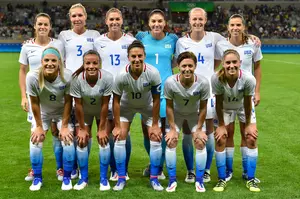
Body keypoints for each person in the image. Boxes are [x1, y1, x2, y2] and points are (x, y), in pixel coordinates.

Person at [175, 7, 225, 183]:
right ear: (189, 21)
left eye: (200, 19)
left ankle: (205, 170)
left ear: (205, 20)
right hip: (188, 93)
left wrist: (253, 38)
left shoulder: (215, 38)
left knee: (209, 132)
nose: (197, 22)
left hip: (208, 92)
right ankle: (190, 170)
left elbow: (226, 51)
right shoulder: (181, 42)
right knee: (188, 133)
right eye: (194, 19)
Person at [215, 14, 262, 183]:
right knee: (228, 134)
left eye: (238, 25)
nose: (235, 28)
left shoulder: (253, 43)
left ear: (243, 27)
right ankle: (227, 171)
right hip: (226, 96)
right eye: (232, 25)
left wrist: (257, 91)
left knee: (247, 134)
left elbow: (257, 68)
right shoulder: (220, 44)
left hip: (246, 95)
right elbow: (214, 66)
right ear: (228, 27)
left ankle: (246, 171)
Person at [19, 12, 65, 182]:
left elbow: (63, 67)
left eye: (46, 24)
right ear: (35, 26)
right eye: (40, 24)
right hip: (36, 97)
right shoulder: (27, 46)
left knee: (56, 132)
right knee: (36, 132)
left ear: (50, 27)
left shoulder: (58, 44)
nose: (43, 27)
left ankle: (60, 168)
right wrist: (24, 96)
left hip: (55, 96)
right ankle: (35, 168)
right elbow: (23, 71)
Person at [112, 40, 162, 191]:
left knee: (155, 137)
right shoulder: (121, 75)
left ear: (144, 56)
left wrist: (154, 124)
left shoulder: (153, 73)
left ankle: (154, 178)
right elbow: (115, 101)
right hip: (126, 107)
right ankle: (121, 178)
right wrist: (116, 125)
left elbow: (157, 99)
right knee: (120, 136)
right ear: (128, 57)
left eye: (140, 56)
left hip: (147, 107)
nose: (137, 59)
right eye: (133, 56)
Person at [58, 3, 101, 179]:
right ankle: (72, 166)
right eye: (74, 16)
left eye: (80, 15)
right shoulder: (63, 36)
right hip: (70, 86)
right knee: (73, 127)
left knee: (87, 127)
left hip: (90, 86)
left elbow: (99, 60)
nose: (77, 19)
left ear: (85, 17)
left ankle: (84, 164)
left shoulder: (95, 35)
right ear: (70, 18)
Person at [136, 9, 178, 179]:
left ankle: (158, 167)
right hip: (146, 92)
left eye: (160, 21)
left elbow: (179, 59)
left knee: (160, 130)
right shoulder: (141, 37)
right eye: (153, 21)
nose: (156, 24)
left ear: (164, 23)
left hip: (165, 93)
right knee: (147, 132)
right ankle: (155, 162)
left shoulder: (173, 39)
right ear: (148, 23)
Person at [94, 7, 135, 181]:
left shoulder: (131, 41)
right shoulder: (98, 42)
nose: (114, 22)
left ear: (122, 21)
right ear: (106, 21)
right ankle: (113, 169)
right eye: (111, 20)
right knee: (105, 131)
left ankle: (122, 169)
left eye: (117, 19)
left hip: (125, 94)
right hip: (103, 93)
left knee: (123, 133)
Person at [26, 47, 75, 191]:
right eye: (46, 60)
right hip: (42, 113)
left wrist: (64, 126)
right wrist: (39, 126)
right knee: (35, 141)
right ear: (41, 62)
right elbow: (34, 103)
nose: (50, 63)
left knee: (68, 141)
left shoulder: (67, 75)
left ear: (59, 62)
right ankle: (37, 178)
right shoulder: (32, 77)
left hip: (61, 112)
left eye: (53, 60)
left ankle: (66, 178)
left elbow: (68, 102)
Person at [212, 49, 260, 192]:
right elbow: (219, 102)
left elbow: (247, 102)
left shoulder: (249, 79)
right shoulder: (216, 79)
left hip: (242, 106)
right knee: (221, 138)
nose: (231, 65)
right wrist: (221, 125)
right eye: (228, 62)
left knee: (251, 138)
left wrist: (249, 124)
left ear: (240, 63)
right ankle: (223, 177)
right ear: (222, 64)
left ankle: (250, 177)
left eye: (234, 62)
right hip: (224, 108)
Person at [164, 52, 210, 192]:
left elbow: (203, 107)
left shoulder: (202, 82)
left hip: (192, 115)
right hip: (176, 115)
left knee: (200, 141)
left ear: (195, 66)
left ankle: (199, 181)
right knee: (171, 140)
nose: (187, 69)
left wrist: (200, 129)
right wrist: (172, 128)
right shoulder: (170, 82)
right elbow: (169, 106)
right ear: (178, 66)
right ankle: (172, 181)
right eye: (184, 66)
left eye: (190, 65)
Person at [70, 50, 113, 190]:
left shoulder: (107, 77)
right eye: (88, 63)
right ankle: (83, 178)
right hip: (85, 112)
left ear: (99, 63)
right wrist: (82, 129)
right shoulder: (76, 79)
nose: (91, 66)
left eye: (95, 63)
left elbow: (106, 104)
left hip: (102, 111)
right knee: (81, 141)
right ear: (83, 64)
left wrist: (101, 129)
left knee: (103, 139)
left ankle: (103, 179)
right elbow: (78, 105)